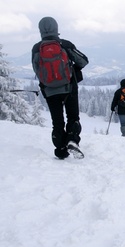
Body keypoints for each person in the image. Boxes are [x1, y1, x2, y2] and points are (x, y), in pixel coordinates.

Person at [31, 17, 89, 159]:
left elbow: (36, 69)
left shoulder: (36, 48)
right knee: (73, 117)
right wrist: (73, 69)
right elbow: (84, 60)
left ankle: (60, 150)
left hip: (49, 90)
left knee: (57, 122)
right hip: (69, 87)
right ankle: (72, 141)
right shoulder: (64, 44)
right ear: (56, 28)